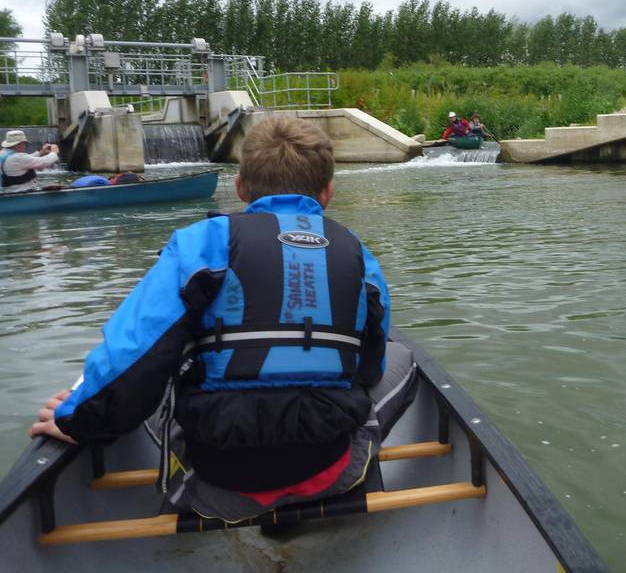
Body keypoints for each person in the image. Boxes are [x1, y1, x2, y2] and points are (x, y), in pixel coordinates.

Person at [29, 116, 416, 520]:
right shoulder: (356, 252)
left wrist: (76, 418)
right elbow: (371, 366)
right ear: (328, 193)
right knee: (402, 358)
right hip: (331, 469)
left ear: (240, 188)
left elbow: (133, 353)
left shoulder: (199, 242)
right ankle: (354, 481)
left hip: (214, 482)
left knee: (158, 367)